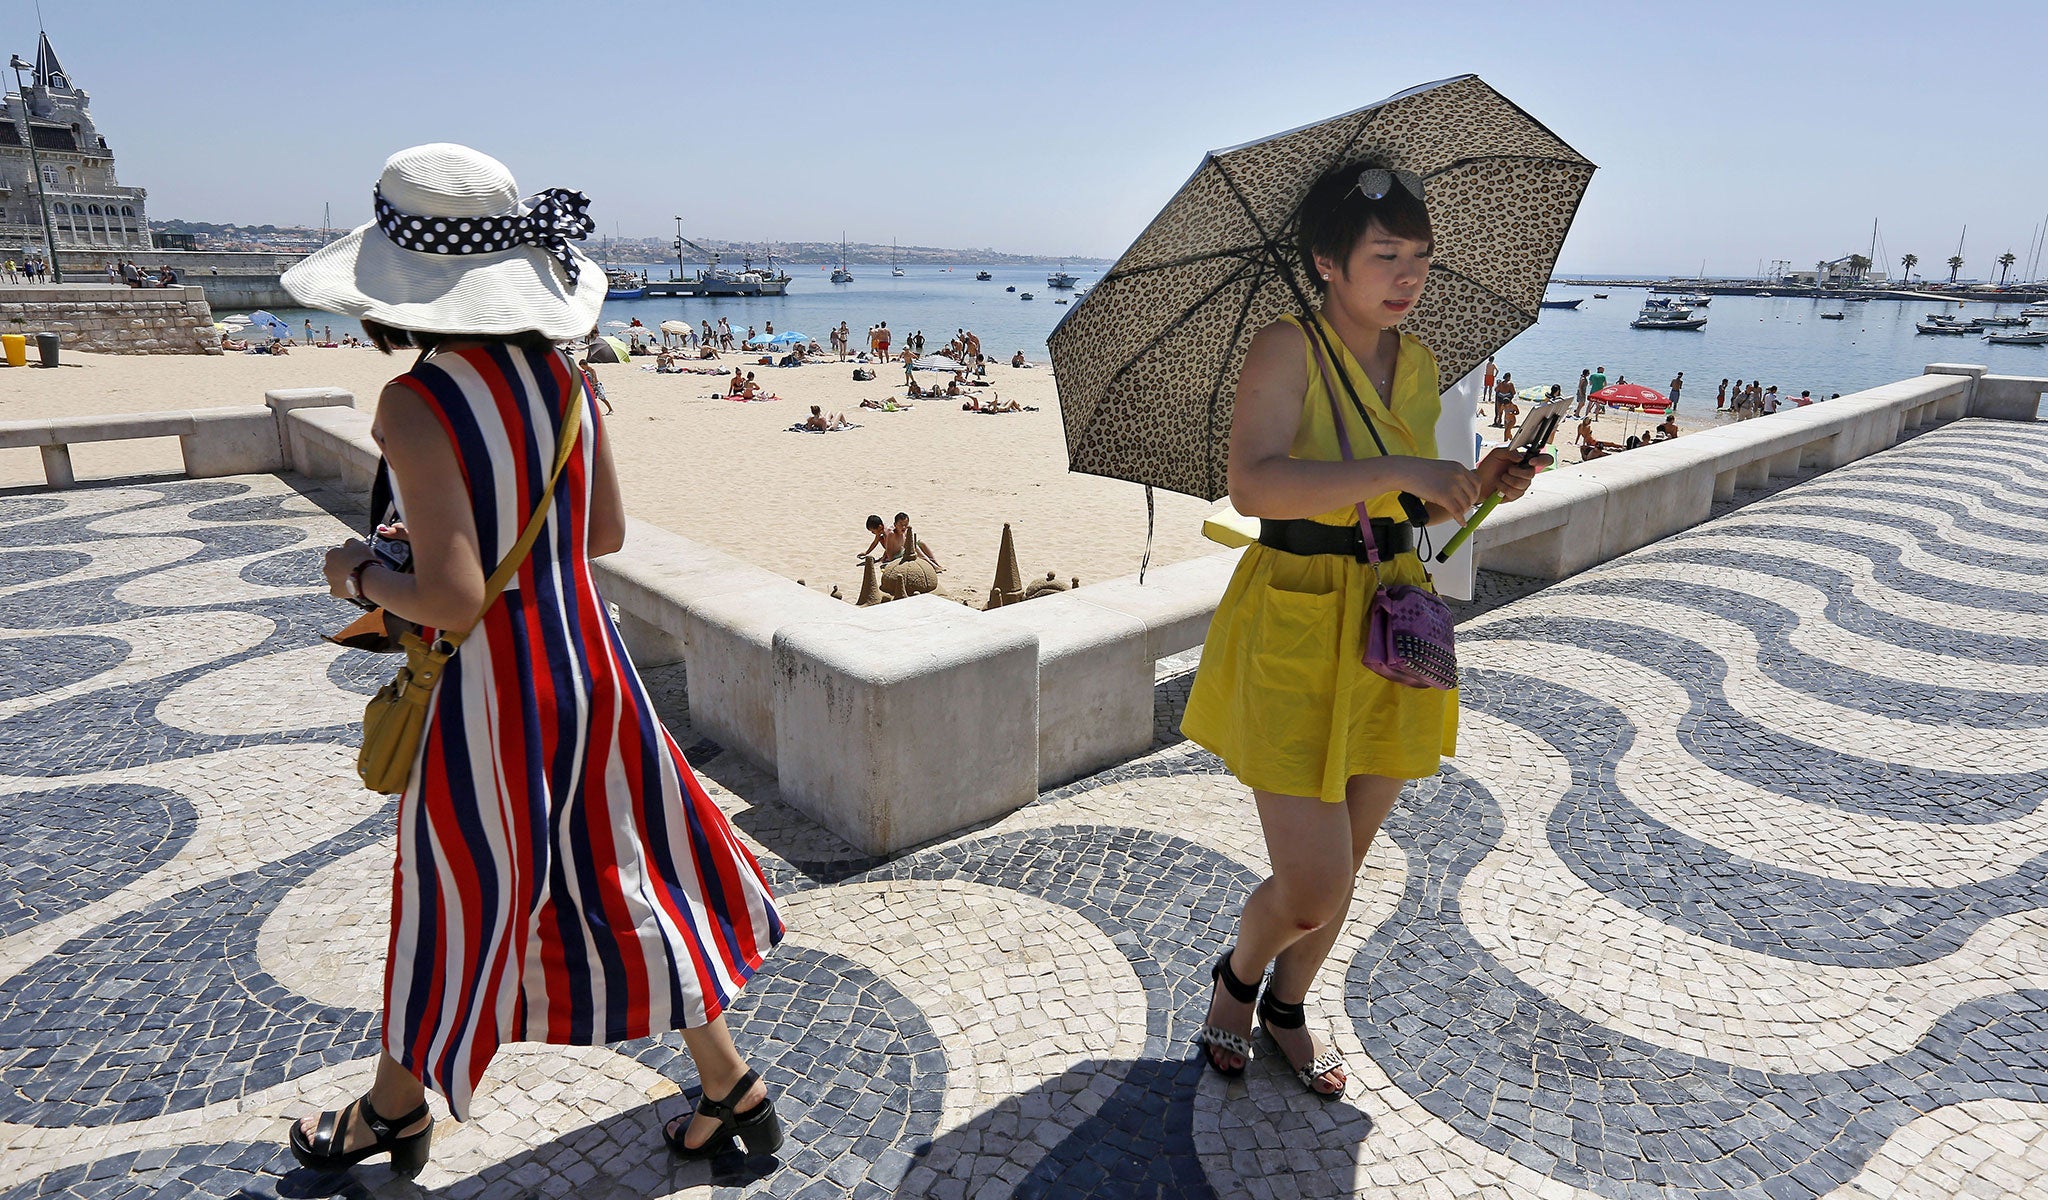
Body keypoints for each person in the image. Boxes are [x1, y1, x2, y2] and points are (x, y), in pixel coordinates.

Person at [286, 143, 782, 1177]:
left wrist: (356, 572)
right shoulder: (564, 378)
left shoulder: (416, 403)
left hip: (489, 697)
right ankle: (732, 1089)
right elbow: (599, 533)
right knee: (628, 874)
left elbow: (454, 596)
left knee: (454, 892)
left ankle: (392, 1112)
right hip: (591, 675)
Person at [1180, 160, 1544, 1100]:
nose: (1407, 275)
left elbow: (1410, 513)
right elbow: (1255, 485)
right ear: (1327, 262)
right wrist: (1406, 466)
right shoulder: (1285, 348)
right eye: (1386, 255)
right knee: (1312, 884)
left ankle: (1291, 1007)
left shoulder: (1416, 361)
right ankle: (1237, 980)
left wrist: (1477, 485)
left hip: (1390, 617)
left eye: (1419, 257)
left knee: (1352, 862)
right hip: (1296, 615)